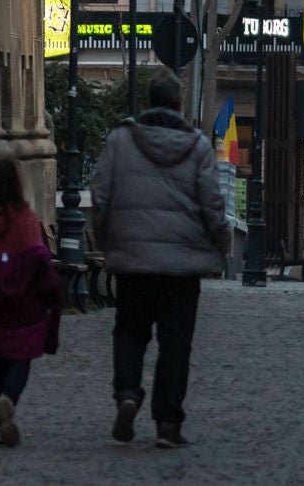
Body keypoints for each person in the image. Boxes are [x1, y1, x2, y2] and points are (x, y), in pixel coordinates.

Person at [91, 71, 227, 450]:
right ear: (178, 104)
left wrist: (108, 242)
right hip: (182, 268)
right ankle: (168, 423)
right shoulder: (197, 146)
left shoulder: (120, 141)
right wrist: (221, 244)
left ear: (147, 101)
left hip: (134, 262)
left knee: (130, 331)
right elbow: (213, 204)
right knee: (175, 343)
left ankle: (128, 393)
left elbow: (100, 196)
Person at [0, 157, 64, 447]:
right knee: (20, 359)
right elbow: (37, 258)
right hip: (24, 307)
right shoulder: (25, 218)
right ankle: (8, 398)